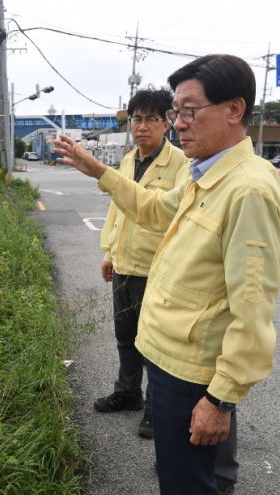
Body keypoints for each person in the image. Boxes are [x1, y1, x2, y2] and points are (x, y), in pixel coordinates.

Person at [54, 54, 280, 495]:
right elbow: (155, 210)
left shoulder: (248, 190)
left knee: (186, 482)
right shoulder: (205, 175)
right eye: (176, 112)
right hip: (166, 356)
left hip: (191, 370)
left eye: (189, 111)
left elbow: (252, 310)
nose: (178, 123)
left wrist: (221, 399)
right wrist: (99, 171)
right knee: (194, 473)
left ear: (234, 110)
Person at [94, 88, 187, 440]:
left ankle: (154, 408)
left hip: (157, 267)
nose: (142, 126)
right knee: (125, 336)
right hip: (124, 263)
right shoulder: (129, 159)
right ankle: (128, 392)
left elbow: (172, 214)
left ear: (168, 123)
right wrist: (109, 253)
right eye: (137, 119)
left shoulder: (180, 163)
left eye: (151, 119)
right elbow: (118, 208)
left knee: (154, 343)